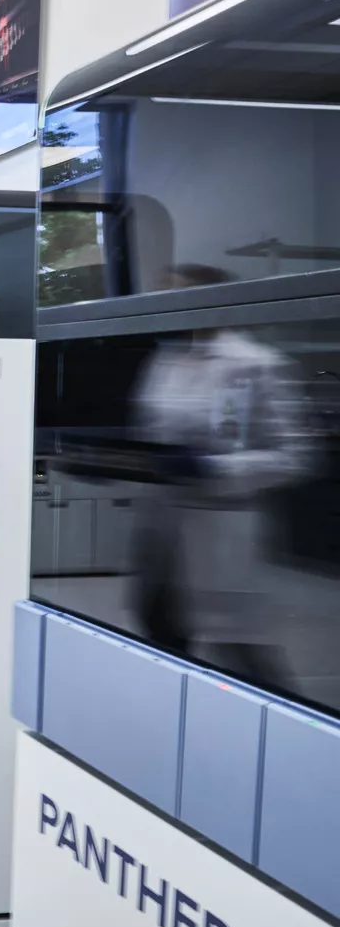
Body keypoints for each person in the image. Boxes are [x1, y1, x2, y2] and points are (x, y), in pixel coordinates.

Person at [130, 263, 314, 688]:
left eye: (179, 295)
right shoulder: (166, 359)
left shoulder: (256, 364)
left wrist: (214, 467)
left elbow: (295, 454)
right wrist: (114, 466)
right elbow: (152, 436)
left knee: (238, 649)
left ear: (211, 301)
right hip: (160, 525)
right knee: (160, 630)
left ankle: (289, 734)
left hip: (220, 524)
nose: (168, 305)